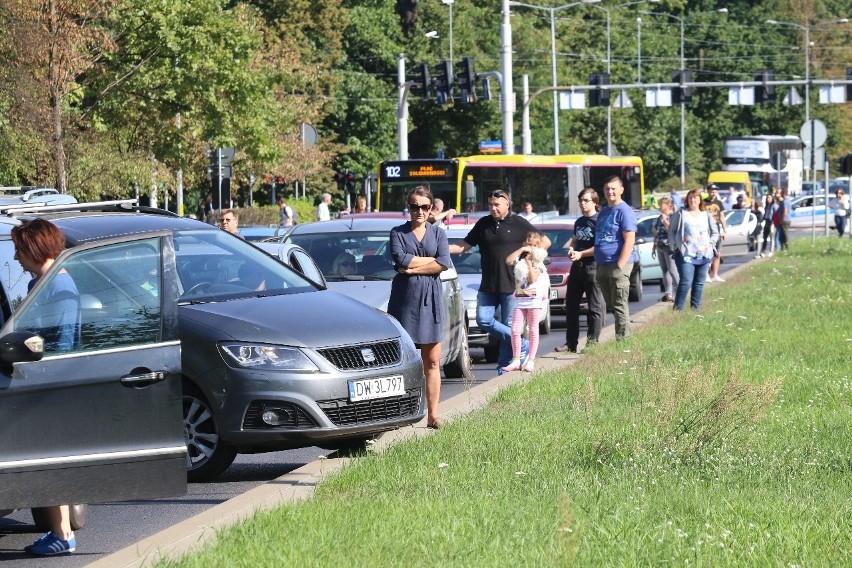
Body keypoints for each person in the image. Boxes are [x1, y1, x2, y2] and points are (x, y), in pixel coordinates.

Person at [11, 219, 80, 556]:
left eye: (19, 249)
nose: (15, 257)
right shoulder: (41, 283)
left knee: (45, 463)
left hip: (51, 386)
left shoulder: (60, 288)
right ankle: (62, 533)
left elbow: (63, 345)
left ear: (35, 248)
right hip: (41, 384)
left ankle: (62, 536)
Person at [448, 189, 551, 373]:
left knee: (511, 325)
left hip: (512, 286)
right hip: (488, 284)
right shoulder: (484, 223)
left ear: (507, 204)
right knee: (483, 320)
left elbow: (545, 242)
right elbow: (464, 245)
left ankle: (503, 368)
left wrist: (531, 255)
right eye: (490, 205)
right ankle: (522, 343)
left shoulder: (519, 223)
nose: (493, 208)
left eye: (496, 205)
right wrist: (442, 248)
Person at [387, 186, 451, 429]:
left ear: (431, 208)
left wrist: (413, 269)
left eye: (425, 207)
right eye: (415, 206)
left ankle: (433, 415)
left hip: (431, 299)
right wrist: (430, 262)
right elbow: (400, 259)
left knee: (432, 361)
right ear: (409, 207)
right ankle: (402, 414)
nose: (420, 211)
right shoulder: (397, 232)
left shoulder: (439, 234)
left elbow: (444, 263)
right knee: (401, 361)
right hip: (404, 301)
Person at [556, 187, 604, 353]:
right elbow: (575, 240)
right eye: (581, 200)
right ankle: (571, 343)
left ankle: (592, 343)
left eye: (586, 200)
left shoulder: (599, 221)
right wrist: (571, 248)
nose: (583, 204)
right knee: (571, 306)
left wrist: (581, 253)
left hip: (593, 266)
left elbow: (599, 247)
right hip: (577, 267)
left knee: (594, 307)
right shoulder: (579, 222)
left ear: (595, 202)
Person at [594, 176, 637, 341]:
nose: (610, 192)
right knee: (611, 304)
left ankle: (623, 341)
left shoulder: (624, 211)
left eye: (613, 188)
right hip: (603, 264)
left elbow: (629, 239)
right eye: (607, 188)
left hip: (618, 263)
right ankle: (621, 335)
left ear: (621, 190)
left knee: (619, 304)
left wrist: (620, 263)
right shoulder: (604, 211)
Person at [501, 231, 548, 372]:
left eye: (535, 245)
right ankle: (516, 359)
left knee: (533, 330)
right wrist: (521, 250)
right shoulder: (519, 260)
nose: (531, 248)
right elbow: (508, 261)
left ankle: (531, 360)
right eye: (529, 244)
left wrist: (529, 262)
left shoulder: (539, 263)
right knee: (515, 330)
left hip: (534, 300)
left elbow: (533, 279)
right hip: (520, 300)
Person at [668, 188, 719, 311]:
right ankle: (678, 309)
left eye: (695, 197)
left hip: (704, 254)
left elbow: (715, 232)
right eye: (690, 198)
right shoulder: (681, 214)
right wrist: (674, 246)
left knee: (699, 282)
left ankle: (695, 310)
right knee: (686, 281)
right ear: (687, 200)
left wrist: (711, 243)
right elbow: (672, 230)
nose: (693, 200)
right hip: (686, 253)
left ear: (700, 200)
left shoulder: (706, 214)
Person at [652, 196, 678, 302]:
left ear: (668, 205)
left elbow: (671, 230)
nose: (660, 206)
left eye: (661, 204)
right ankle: (669, 294)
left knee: (672, 270)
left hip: (669, 247)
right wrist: (653, 247)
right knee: (665, 270)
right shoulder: (659, 218)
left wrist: (665, 220)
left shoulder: (673, 216)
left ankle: (680, 291)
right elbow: (656, 233)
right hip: (660, 246)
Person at [704, 184, 727, 283]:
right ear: (708, 191)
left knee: (717, 253)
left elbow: (722, 216)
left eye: (715, 191)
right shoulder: (703, 203)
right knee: (706, 254)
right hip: (706, 230)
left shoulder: (719, 203)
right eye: (712, 191)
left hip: (717, 230)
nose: (713, 193)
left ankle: (715, 274)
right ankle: (706, 275)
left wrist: (725, 230)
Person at [758, 193, 777, 258]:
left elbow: (775, 214)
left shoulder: (774, 206)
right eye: (767, 198)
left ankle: (771, 251)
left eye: (769, 197)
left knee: (771, 237)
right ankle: (763, 251)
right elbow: (765, 214)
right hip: (766, 221)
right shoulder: (767, 206)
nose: (768, 199)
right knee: (765, 237)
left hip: (771, 222)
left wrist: (773, 222)